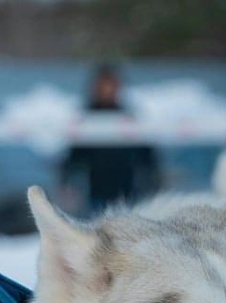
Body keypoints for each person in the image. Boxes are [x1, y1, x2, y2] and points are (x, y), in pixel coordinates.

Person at [60, 64, 162, 216]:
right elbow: (75, 156)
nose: (108, 91)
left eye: (111, 86)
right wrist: (68, 182)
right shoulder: (87, 117)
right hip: (96, 195)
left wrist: (152, 180)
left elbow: (145, 153)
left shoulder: (127, 115)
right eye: (103, 86)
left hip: (128, 194)